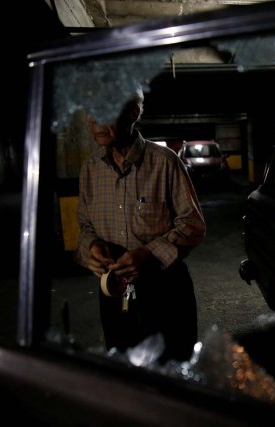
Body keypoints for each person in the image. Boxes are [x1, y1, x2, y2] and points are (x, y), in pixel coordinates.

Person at [76, 88, 206, 362]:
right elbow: (85, 224)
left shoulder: (165, 162)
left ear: (133, 114)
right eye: (90, 114)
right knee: (125, 370)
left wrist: (148, 254)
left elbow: (193, 225)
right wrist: (92, 246)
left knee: (172, 369)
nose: (94, 122)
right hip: (113, 295)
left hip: (166, 292)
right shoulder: (90, 169)